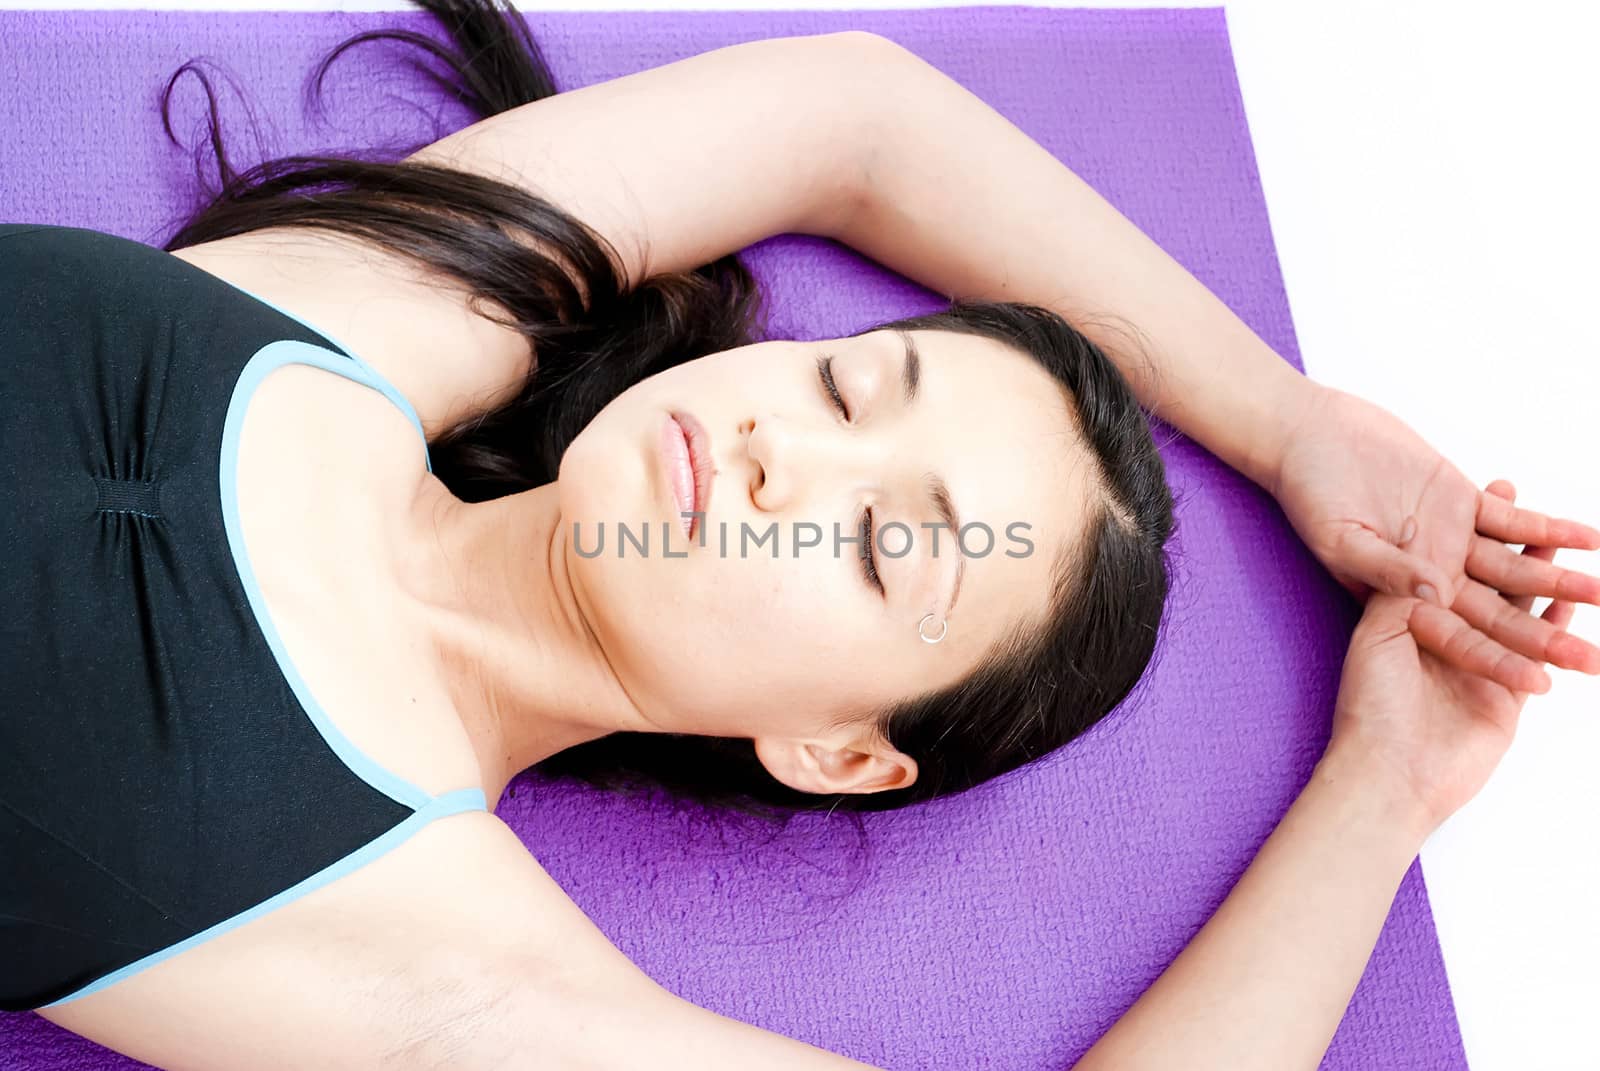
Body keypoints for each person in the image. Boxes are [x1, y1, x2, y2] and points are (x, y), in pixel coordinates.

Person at [3, 2, 1596, 1066]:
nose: (786, 456)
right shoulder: (375, 311)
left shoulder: (449, 965)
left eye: (884, 547)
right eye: (848, 389)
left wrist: (1382, 794)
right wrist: (1291, 421)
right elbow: (857, 115)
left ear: (840, 750)